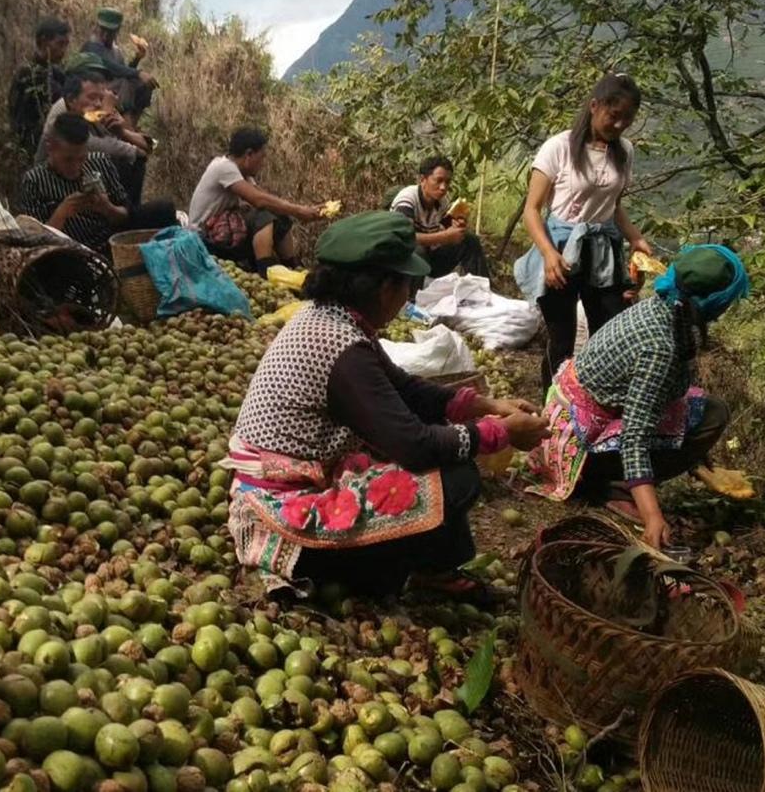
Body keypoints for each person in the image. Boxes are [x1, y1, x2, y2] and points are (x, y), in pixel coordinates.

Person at [222, 211, 551, 597]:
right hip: (284, 513)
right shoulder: (341, 349)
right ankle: (398, 571)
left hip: (294, 480)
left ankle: (437, 570)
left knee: (442, 462)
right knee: (456, 478)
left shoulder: (333, 318)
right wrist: (501, 432)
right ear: (384, 289)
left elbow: (406, 389)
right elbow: (414, 445)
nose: (406, 296)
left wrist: (485, 405)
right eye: (406, 286)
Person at [526, 245, 750, 548]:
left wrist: (697, 458)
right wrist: (653, 516)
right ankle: (614, 486)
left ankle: (620, 479)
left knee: (707, 409)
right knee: (713, 415)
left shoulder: (668, 306)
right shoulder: (660, 346)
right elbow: (635, 436)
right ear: (716, 302)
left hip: (584, 416)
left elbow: (659, 393)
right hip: (579, 441)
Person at [514, 73, 654, 391]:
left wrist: (635, 238)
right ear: (594, 106)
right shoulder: (559, 147)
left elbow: (613, 205)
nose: (619, 125)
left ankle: (594, 402)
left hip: (603, 251)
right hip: (561, 248)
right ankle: (550, 409)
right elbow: (532, 210)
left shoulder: (625, 151)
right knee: (561, 338)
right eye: (613, 116)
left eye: (627, 120)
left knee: (610, 329)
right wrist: (549, 254)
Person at [14, 113, 175, 252]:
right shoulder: (34, 181)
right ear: (51, 148)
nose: (75, 167)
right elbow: (35, 242)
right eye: (68, 160)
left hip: (111, 239)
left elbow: (127, 216)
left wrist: (107, 208)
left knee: (164, 209)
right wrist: (61, 213)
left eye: (81, 158)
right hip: (70, 251)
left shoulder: (99, 161)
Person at [188, 127, 322, 276]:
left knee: (280, 217)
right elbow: (259, 201)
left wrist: (305, 209)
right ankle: (266, 272)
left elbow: (265, 197)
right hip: (204, 238)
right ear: (249, 155)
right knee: (262, 216)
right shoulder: (223, 167)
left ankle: (291, 267)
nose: (263, 162)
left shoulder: (242, 174)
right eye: (262, 156)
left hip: (223, 230)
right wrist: (299, 211)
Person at [36, 66, 153, 205]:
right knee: (128, 160)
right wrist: (135, 149)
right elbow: (107, 146)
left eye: (101, 98)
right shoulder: (63, 119)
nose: (97, 103)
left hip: (79, 172)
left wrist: (122, 130)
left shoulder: (87, 110)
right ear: (71, 100)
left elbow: (149, 144)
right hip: (56, 185)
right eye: (92, 97)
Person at [390, 156, 491, 281]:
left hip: (429, 259)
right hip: (402, 262)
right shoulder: (407, 199)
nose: (443, 187)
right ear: (423, 180)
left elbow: (449, 230)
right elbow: (405, 239)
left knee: (469, 240)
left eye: (447, 182)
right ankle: (411, 298)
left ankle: (482, 290)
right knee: (417, 251)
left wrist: (458, 227)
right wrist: (446, 237)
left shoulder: (442, 202)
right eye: (438, 180)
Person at [82, 8, 158, 125]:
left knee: (144, 85)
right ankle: (127, 125)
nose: (106, 35)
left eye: (110, 31)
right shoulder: (91, 46)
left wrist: (137, 58)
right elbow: (110, 67)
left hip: (114, 90)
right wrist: (139, 73)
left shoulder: (115, 49)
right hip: (95, 91)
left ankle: (132, 123)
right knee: (127, 82)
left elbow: (122, 70)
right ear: (97, 27)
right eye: (103, 30)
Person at [8, 17, 70, 156]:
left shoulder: (52, 70)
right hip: (31, 146)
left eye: (66, 45)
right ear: (43, 42)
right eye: (60, 44)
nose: (63, 50)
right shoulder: (30, 74)